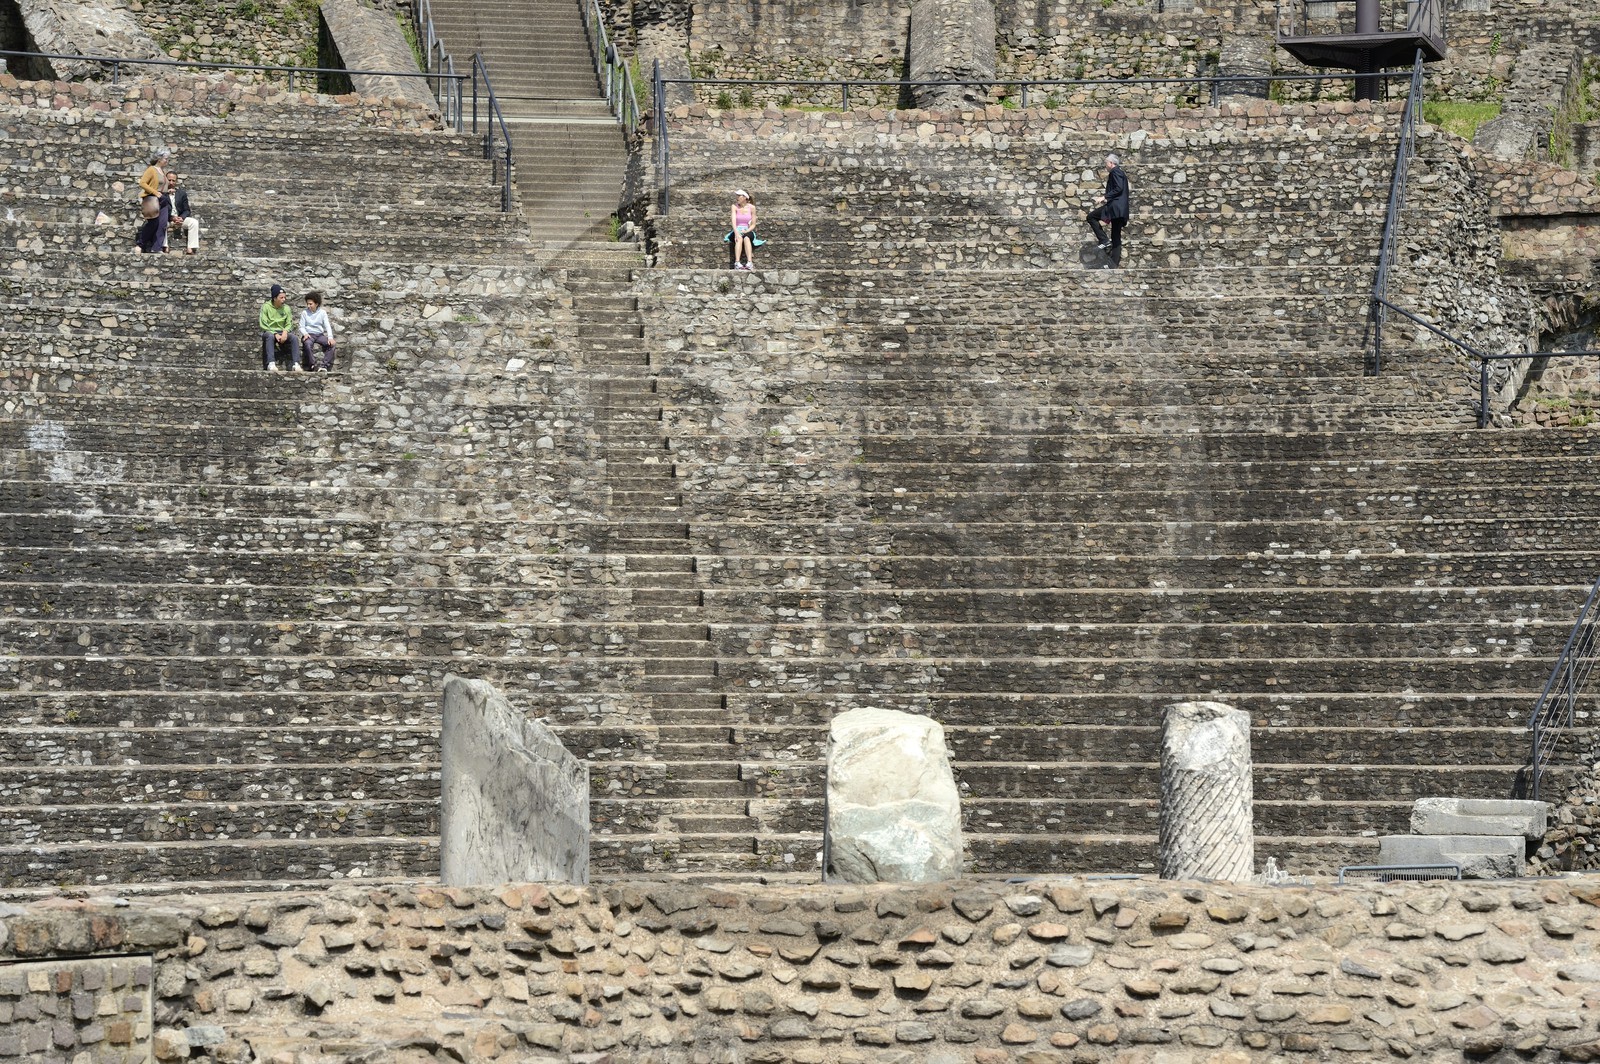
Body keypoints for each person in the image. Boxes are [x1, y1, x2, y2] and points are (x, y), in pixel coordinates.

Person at [1085, 153, 1130, 268]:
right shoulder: (1120, 172)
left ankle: (1104, 240)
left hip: (1115, 208)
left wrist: (1104, 197)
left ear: (1111, 163)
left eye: (1106, 163)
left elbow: (1118, 188)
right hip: (1120, 209)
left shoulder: (1116, 172)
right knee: (1116, 236)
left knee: (1091, 217)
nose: (1105, 165)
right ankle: (1113, 264)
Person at [135, 147, 170, 254]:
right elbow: (142, 183)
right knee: (153, 223)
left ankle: (157, 247)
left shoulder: (163, 171)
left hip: (163, 199)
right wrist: (155, 192)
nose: (167, 161)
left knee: (162, 224)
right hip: (153, 199)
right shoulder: (151, 169)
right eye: (166, 158)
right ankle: (140, 244)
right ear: (159, 158)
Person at [298, 290, 337, 372]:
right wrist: (305, 334)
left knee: (331, 345)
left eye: (310, 304)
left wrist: (330, 337)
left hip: (319, 335)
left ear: (316, 304)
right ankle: (313, 365)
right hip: (309, 334)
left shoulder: (322, 313)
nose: (308, 306)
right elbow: (301, 326)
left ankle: (324, 366)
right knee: (307, 344)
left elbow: (327, 325)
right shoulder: (305, 313)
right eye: (307, 304)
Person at [163, 172, 200, 255]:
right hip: (168, 219)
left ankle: (190, 248)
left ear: (176, 182)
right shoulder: (162, 193)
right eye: (169, 180)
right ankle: (165, 246)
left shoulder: (181, 193)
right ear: (165, 180)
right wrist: (172, 218)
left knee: (194, 222)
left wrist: (181, 218)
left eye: (173, 180)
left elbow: (187, 210)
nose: (171, 183)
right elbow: (160, 209)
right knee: (161, 222)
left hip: (179, 219)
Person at [259, 284, 294, 371]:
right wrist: (274, 333)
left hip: (282, 331)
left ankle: (295, 363)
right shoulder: (266, 307)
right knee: (270, 336)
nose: (283, 300)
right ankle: (271, 363)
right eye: (281, 298)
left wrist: (285, 332)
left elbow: (289, 322)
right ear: (274, 298)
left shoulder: (286, 308)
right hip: (269, 331)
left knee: (294, 338)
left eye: (284, 298)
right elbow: (263, 323)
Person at [729, 189, 757, 270]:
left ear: (745, 197)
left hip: (747, 230)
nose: (737, 197)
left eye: (739, 196)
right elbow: (733, 222)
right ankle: (737, 263)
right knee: (739, 238)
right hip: (736, 230)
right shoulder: (734, 207)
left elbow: (753, 224)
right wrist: (736, 233)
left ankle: (749, 262)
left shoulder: (752, 208)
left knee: (747, 238)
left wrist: (746, 231)